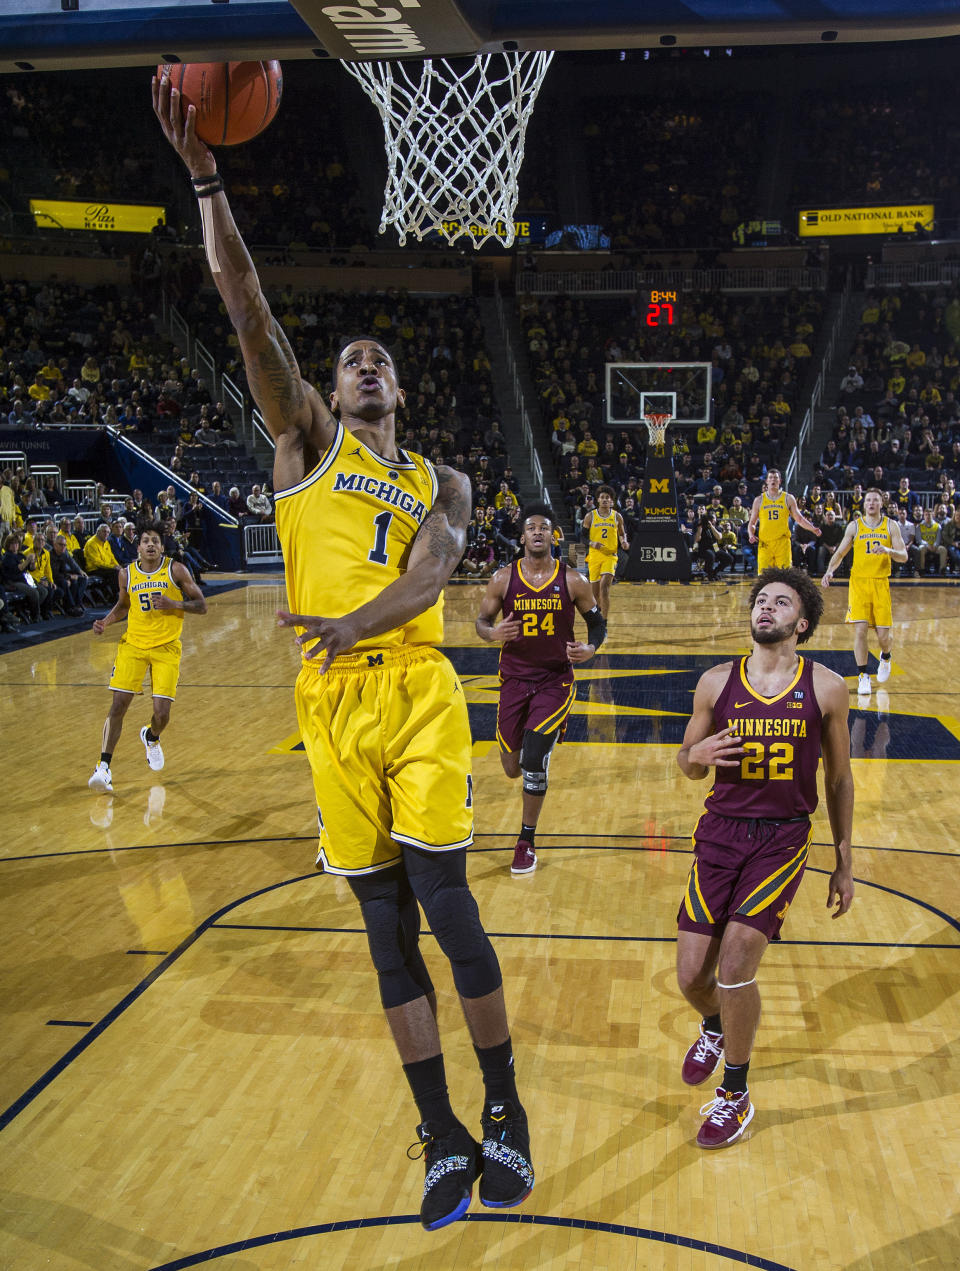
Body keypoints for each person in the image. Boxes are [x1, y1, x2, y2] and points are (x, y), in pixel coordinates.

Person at [154, 73, 534, 1232]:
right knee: (383, 934)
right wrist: (207, 176)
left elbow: (430, 575)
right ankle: (442, 1133)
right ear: (328, 386)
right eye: (350, 355)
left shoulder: (443, 479)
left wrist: (357, 622)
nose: (363, 362)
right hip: (328, 703)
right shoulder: (303, 438)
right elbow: (244, 304)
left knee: (448, 907)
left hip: (414, 687)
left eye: (380, 357)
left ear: (403, 388)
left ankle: (508, 1106)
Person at [675, 567, 854, 1149]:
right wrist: (693, 754)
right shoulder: (714, 682)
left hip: (781, 838)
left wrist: (844, 858)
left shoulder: (826, 687)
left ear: (802, 623)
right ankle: (714, 1028)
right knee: (689, 978)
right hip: (720, 832)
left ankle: (736, 1095)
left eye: (780, 602)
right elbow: (689, 763)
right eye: (760, 600)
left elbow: (839, 778)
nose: (765, 608)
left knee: (734, 968)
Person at [475, 504, 605, 875]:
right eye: (530, 527)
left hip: (555, 680)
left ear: (553, 536)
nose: (536, 532)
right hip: (514, 679)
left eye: (543, 528)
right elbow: (482, 621)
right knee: (512, 768)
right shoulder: (502, 578)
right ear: (522, 537)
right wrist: (492, 633)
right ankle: (538, 750)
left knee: (531, 761)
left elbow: (598, 626)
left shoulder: (573, 580)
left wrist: (590, 648)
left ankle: (525, 841)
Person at [88, 523, 207, 794]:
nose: (150, 544)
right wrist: (105, 621)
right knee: (118, 705)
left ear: (162, 546)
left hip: (166, 648)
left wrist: (174, 604)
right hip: (134, 646)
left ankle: (150, 736)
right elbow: (123, 605)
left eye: (155, 540)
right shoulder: (126, 574)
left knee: (162, 714)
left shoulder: (175, 569)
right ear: (138, 546)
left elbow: (202, 606)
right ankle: (103, 767)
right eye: (145, 541)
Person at [821, 488, 908, 696]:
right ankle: (863, 676)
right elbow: (841, 552)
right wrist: (829, 571)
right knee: (860, 631)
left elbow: (903, 556)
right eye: (868, 500)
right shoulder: (855, 526)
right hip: (859, 584)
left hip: (880, 584)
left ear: (881, 504)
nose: (871, 503)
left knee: (883, 636)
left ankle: (886, 657)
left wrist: (889, 551)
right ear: (864, 504)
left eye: (875, 500)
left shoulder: (891, 526)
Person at [747, 469, 820, 571]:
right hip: (765, 544)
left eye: (776, 478)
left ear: (780, 481)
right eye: (771, 477)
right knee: (764, 578)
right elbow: (752, 523)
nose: (773, 480)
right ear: (766, 481)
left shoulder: (788, 498)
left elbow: (799, 519)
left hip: (782, 543)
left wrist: (812, 529)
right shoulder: (759, 500)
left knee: (785, 577)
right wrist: (751, 534)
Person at [580, 485, 628, 618]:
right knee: (595, 593)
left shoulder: (617, 516)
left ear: (612, 501)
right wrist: (592, 543)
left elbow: (622, 533)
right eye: (602, 497)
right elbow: (583, 537)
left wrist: (624, 541)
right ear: (598, 500)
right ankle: (599, 613)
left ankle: (604, 623)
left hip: (610, 556)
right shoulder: (590, 516)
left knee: (605, 588)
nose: (605, 500)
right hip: (594, 556)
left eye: (608, 497)